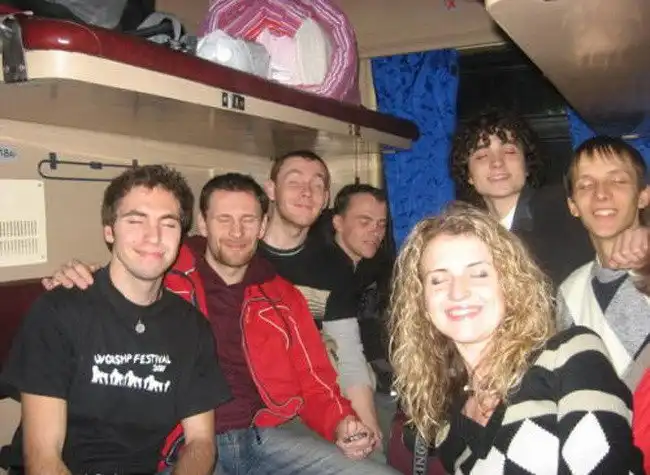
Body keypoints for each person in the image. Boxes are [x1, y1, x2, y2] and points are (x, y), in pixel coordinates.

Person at [43, 172, 398, 475]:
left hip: (264, 436)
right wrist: (79, 274)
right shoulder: (165, 276)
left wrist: (341, 423)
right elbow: (123, 277)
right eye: (223, 219)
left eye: (248, 220)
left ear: (262, 226)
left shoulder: (283, 296)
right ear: (202, 223)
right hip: (182, 441)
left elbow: (315, 379)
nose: (236, 232)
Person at [1, 165, 230, 475]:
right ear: (109, 231)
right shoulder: (58, 311)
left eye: (168, 223)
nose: (153, 237)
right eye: (135, 220)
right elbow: (43, 455)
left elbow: (201, 442)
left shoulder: (192, 327)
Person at [388, 201, 643, 474]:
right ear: (423, 304)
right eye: (438, 279)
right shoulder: (449, 429)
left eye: (478, 273)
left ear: (509, 287)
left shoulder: (570, 355)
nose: (458, 292)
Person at [259, 151, 383, 444]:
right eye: (294, 182)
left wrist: (368, 424)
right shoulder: (242, 252)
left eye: (317, 185)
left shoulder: (334, 266)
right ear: (271, 190)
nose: (307, 192)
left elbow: (348, 352)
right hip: (255, 411)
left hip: (312, 401)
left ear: (325, 198)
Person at [450, 108, 649, 287]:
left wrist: (643, 231)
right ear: (469, 175)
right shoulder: (471, 232)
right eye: (482, 156)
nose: (497, 163)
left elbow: (623, 205)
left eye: (509, 151)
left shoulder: (560, 204)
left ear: (526, 165)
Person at [557, 136, 650, 378]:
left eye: (618, 181)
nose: (601, 194)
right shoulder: (570, 291)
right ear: (573, 205)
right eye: (586, 185)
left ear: (643, 196)